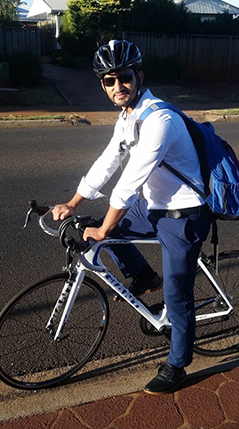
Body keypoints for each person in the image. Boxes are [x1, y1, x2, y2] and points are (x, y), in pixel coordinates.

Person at [53, 39, 211, 394]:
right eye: (109, 81)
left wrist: (104, 227)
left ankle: (177, 365)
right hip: (153, 205)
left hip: (182, 213)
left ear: (138, 76)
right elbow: (107, 162)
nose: (117, 87)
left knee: (177, 295)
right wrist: (74, 203)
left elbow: (129, 181)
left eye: (123, 77)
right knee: (103, 227)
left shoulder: (160, 120)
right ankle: (145, 276)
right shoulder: (128, 117)